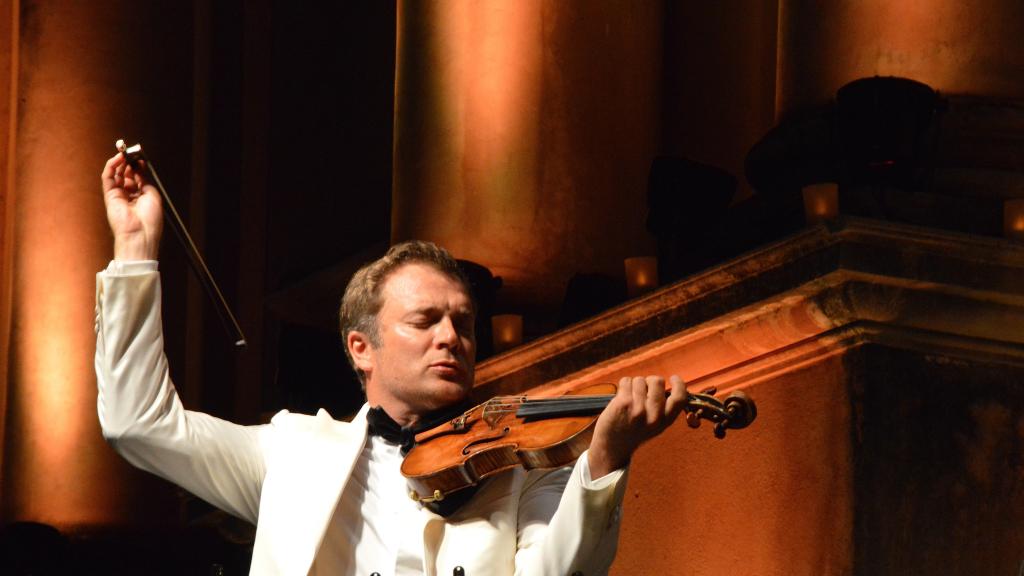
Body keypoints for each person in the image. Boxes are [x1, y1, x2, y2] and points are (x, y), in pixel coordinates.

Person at [95, 151, 689, 575]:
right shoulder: (291, 452)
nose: (451, 337)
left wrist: (607, 456)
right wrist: (135, 249)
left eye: (463, 323)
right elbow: (137, 425)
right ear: (362, 347)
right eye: (425, 321)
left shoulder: (521, 463)